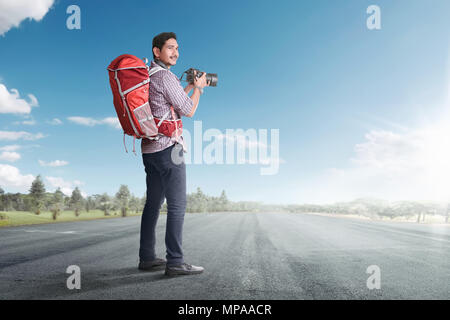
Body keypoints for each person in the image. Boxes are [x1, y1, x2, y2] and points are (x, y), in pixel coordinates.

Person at [138, 32, 209, 276]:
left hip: (150, 150)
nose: (176, 52)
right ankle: (175, 262)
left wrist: (188, 86)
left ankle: (147, 258)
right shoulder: (166, 77)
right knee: (177, 206)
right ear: (156, 51)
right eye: (170, 48)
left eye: (177, 48)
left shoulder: (149, 75)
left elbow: (171, 102)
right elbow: (187, 109)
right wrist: (199, 89)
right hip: (170, 149)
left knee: (153, 205)